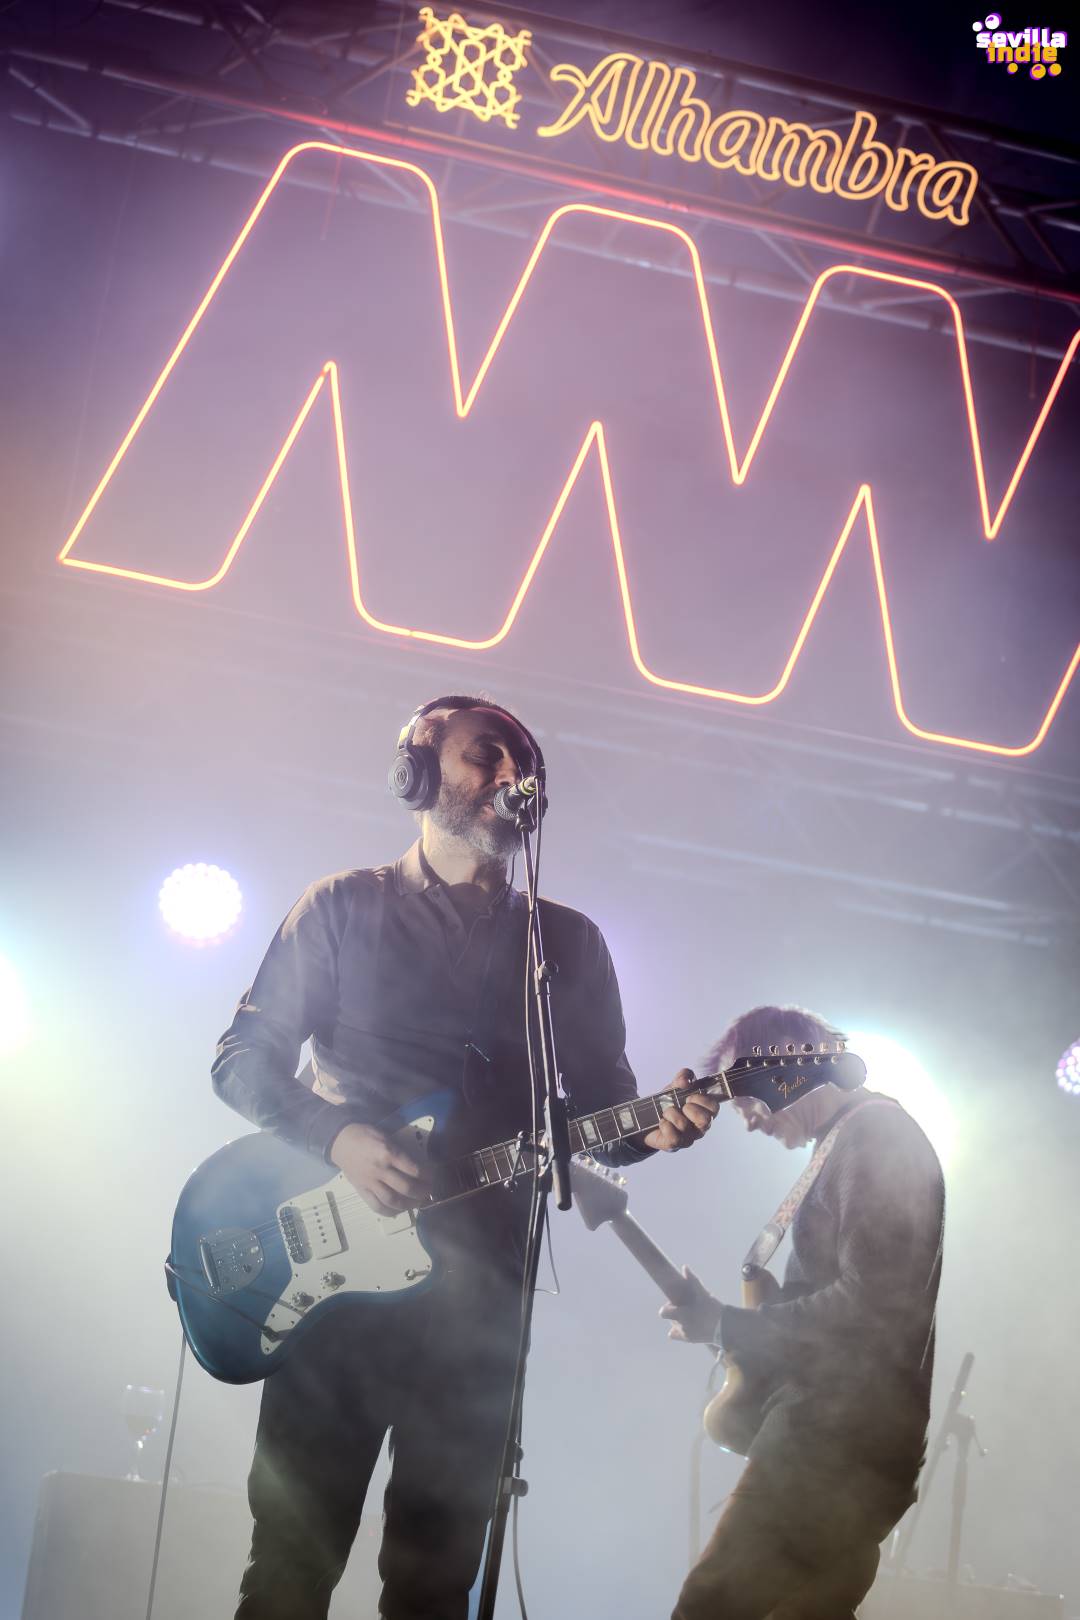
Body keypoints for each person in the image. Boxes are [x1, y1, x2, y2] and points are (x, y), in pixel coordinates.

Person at [212, 693, 717, 1620]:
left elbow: (601, 1111)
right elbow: (241, 1060)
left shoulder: (567, 944)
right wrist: (337, 1137)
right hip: (335, 1293)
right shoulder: (342, 907)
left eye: (527, 767)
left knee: (435, 1589)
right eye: (487, 756)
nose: (512, 777)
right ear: (416, 773)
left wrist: (656, 1128)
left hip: (481, 1303)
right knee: (288, 1572)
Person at [660, 1004, 945, 1620]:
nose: (747, 1121)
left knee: (708, 1609)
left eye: (747, 1099)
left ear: (786, 1064)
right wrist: (731, 1332)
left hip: (831, 1443)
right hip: (853, 1447)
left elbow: (871, 1304)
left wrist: (729, 1325)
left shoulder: (876, 1137)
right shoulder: (848, 1142)